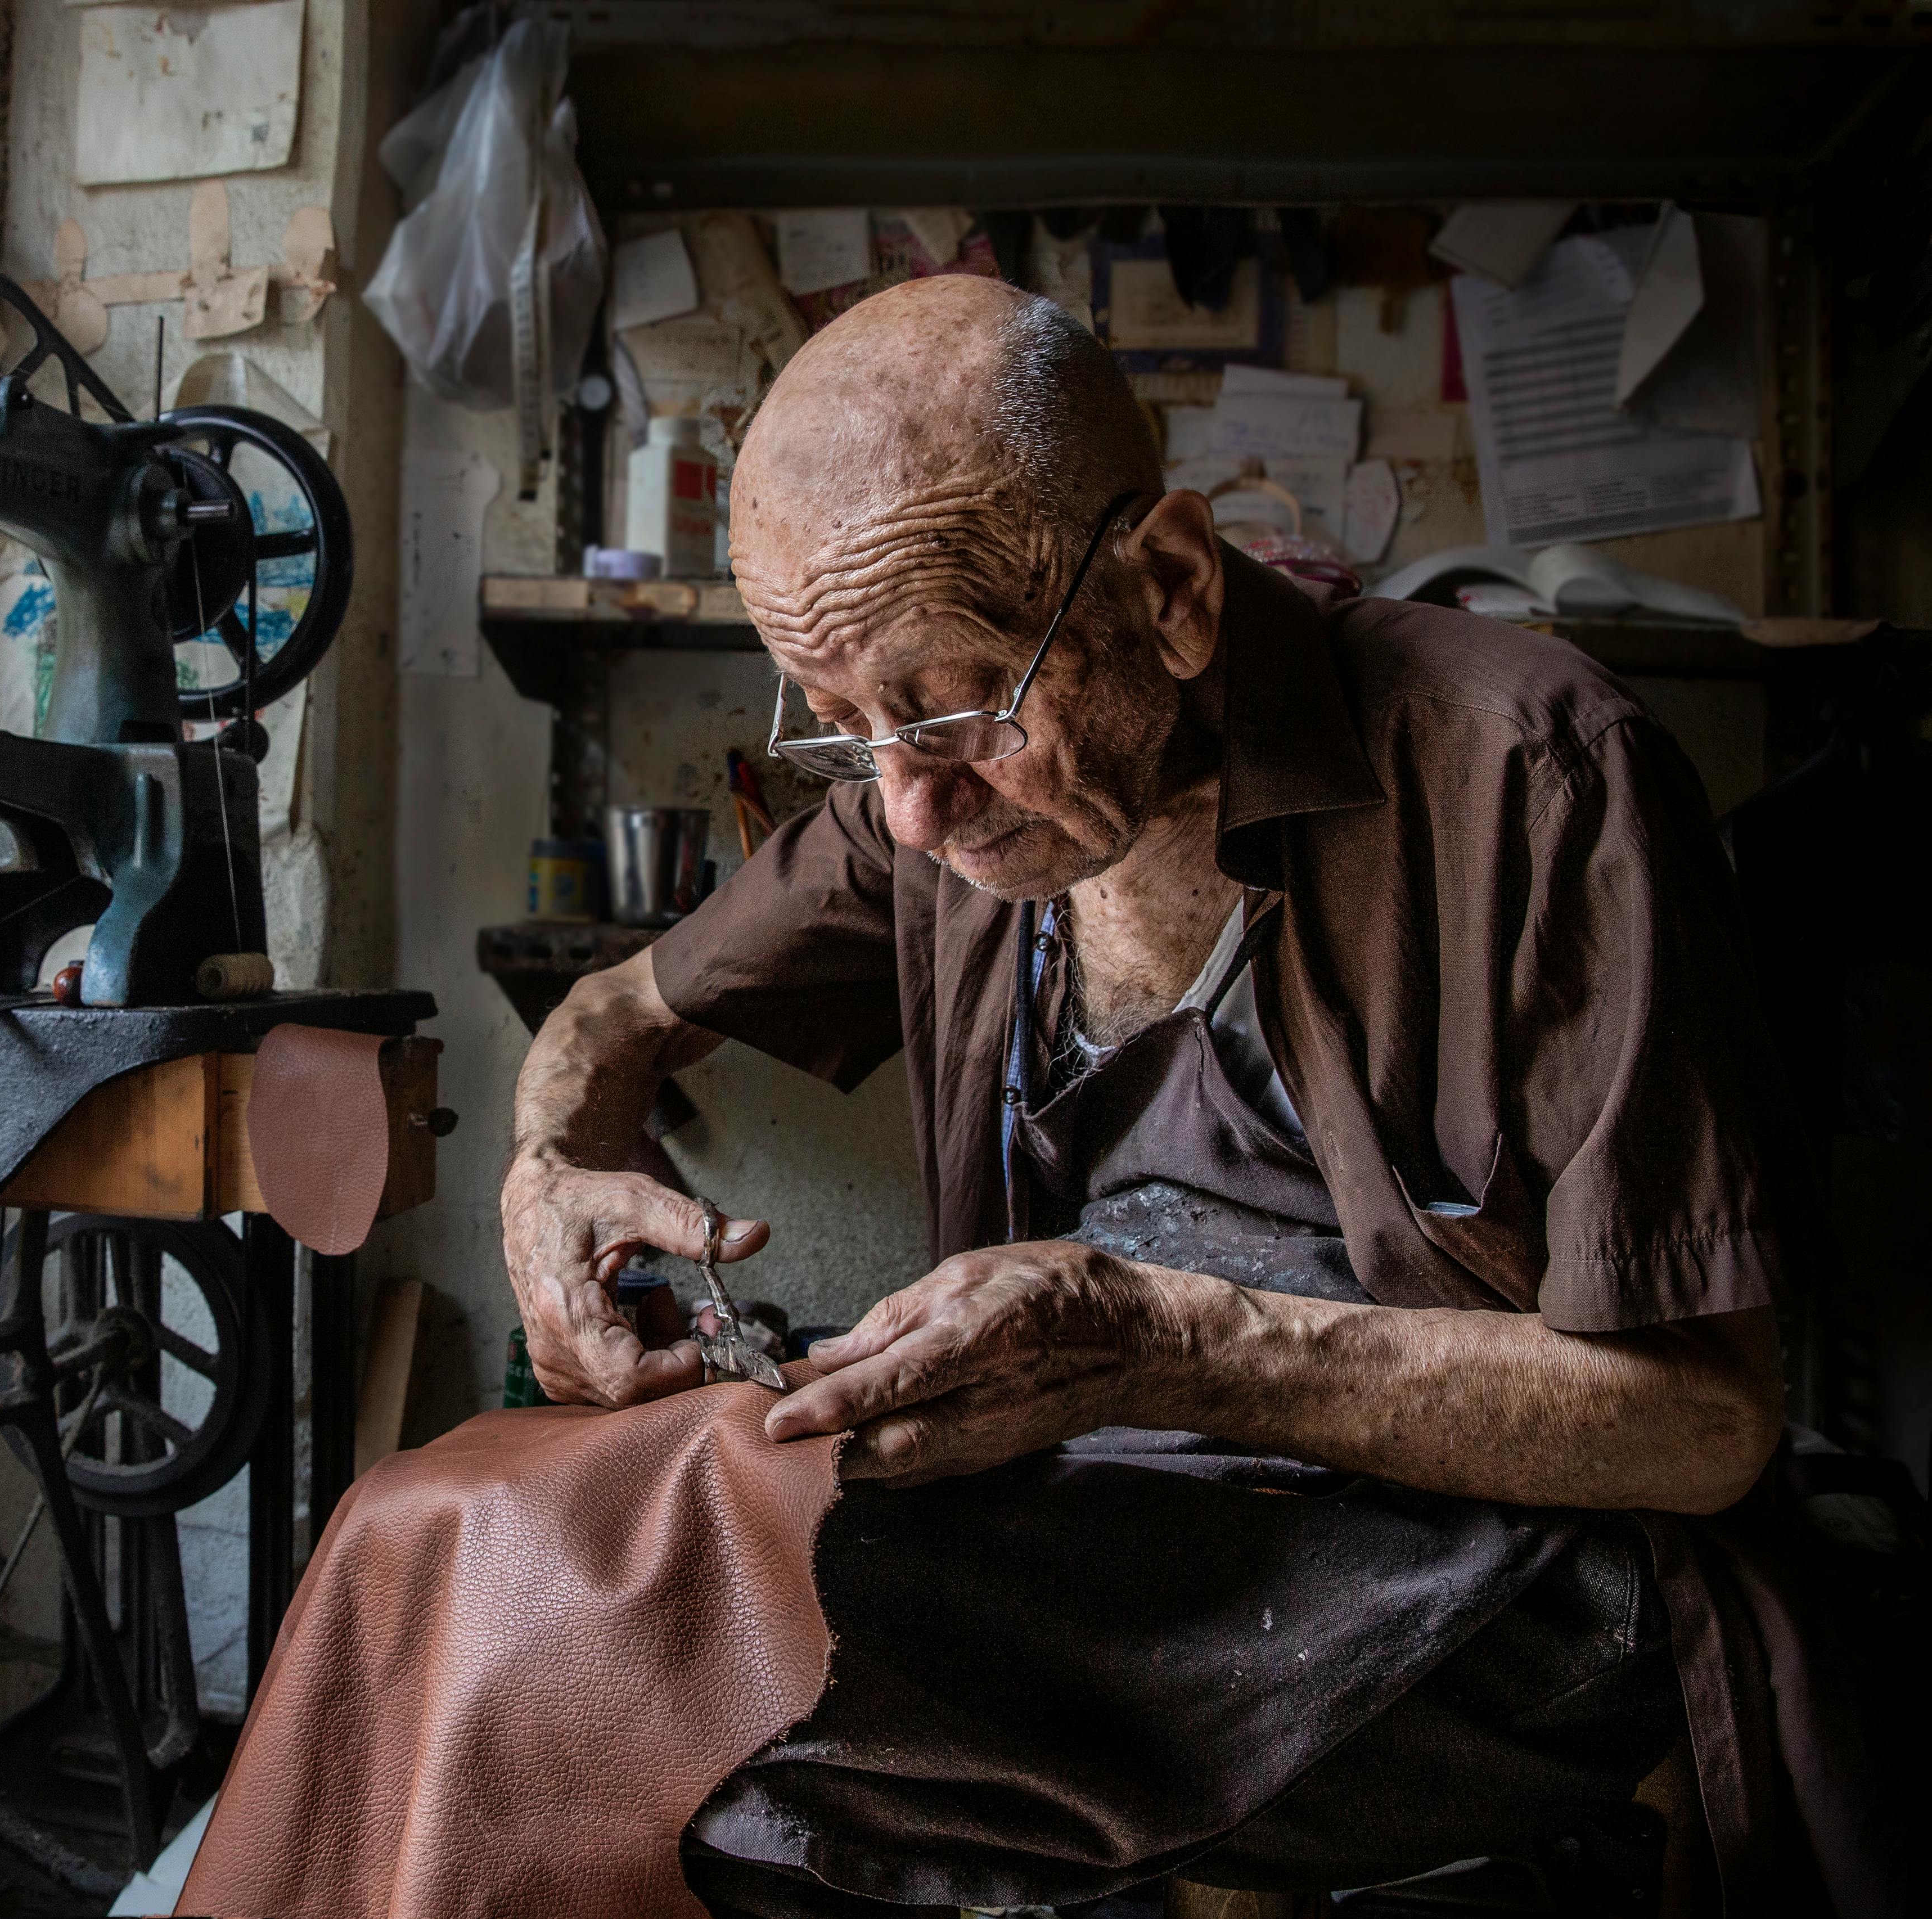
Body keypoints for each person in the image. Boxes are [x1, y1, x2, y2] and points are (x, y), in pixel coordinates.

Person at [470, 277, 1886, 1909]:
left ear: (1170, 586)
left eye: (954, 704)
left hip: (1516, 1557)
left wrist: (1158, 1338)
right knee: (550, 1613)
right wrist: (543, 1166)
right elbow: (608, 1011)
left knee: (737, 1771)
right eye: (845, 733)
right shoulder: (923, 808)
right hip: (1132, 1511)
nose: (911, 813)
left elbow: (1704, 1420)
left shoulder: (1531, 770)